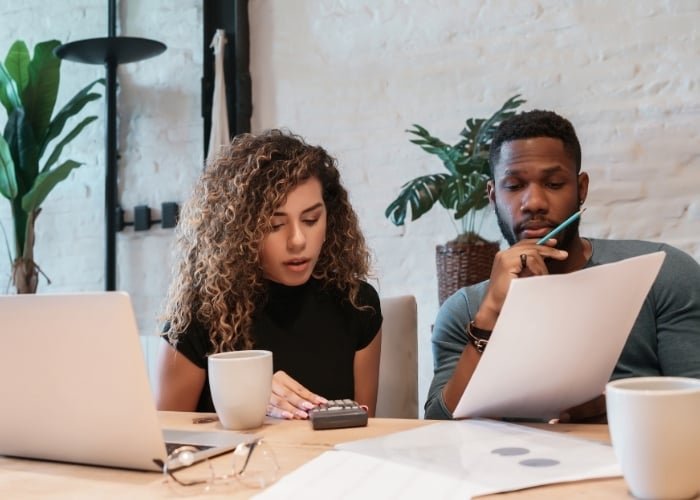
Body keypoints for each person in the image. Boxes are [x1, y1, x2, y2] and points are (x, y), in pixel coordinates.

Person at [424, 109, 700, 421]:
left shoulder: (663, 273)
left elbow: (694, 404)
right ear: (492, 195)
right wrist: (490, 314)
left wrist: (612, 403)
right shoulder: (464, 309)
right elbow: (438, 426)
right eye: (514, 186)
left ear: (581, 188)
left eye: (554, 183)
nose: (534, 202)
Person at [156, 129, 383, 419]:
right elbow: (167, 439)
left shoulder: (356, 302)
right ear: (240, 232)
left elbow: (365, 427)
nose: (298, 240)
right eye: (275, 225)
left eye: (311, 219)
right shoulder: (200, 313)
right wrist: (244, 398)